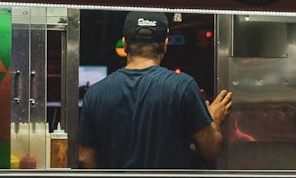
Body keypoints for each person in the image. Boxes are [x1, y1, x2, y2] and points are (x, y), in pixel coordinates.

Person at [77, 11, 233, 169]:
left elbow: (85, 159)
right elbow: (210, 151)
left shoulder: (95, 94)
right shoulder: (183, 87)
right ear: (165, 44)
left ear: (124, 44)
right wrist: (214, 120)